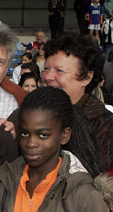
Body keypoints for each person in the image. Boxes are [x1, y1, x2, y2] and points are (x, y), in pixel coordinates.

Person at [43, 32, 113, 171]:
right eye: (46, 68)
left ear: (86, 77)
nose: (48, 76)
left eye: (59, 71)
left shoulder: (105, 127)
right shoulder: (28, 113)